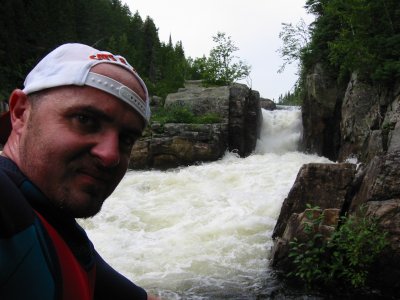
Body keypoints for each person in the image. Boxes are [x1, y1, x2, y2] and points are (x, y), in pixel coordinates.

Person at [0, 43, 159, 300]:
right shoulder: (8, 208)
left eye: (127, 139)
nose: (110, 156)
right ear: (20, 112)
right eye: (85, 120)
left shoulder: (61, 232)